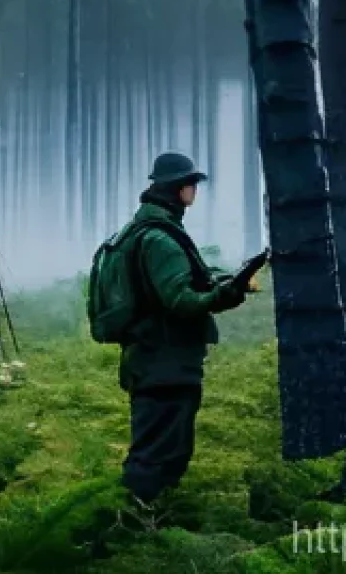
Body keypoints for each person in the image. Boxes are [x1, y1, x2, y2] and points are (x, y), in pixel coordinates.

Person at [118, 151, 254, 507]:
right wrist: (226, 295)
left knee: (165, 450)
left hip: (156, 360)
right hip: (165, 363)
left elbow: (183, 284)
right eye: (191, 183)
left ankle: (151, 520)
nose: (194, 190)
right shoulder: (160, 239)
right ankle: (133, 523)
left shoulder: (151, 231)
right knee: (154, 456)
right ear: (179, 188)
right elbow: (180, 300)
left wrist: (226, 283)